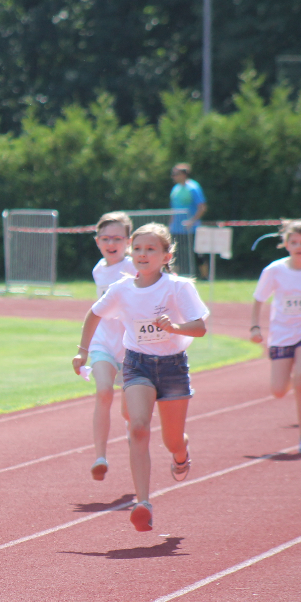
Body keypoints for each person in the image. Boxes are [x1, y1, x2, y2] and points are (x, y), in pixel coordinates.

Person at [73, 223, 209, 532]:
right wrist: (82, 352)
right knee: (137, 427)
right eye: (137, 249)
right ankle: (143, 502)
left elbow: (199, 328)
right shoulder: (121, 288)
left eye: (151, 249)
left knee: (171, 440)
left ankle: (181, 452)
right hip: (137, 364)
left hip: (173, 366)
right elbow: (94, 313)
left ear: (166, 255)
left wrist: (174, 328)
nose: (142, 255)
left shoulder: (178, 287)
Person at [80, 212, 135, 481]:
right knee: (103, 392)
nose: (110, 243)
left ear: (128, 241)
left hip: (132, 345)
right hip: (103, 341)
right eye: (105, 238)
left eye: (117, 238)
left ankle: (131, 432)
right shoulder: (98, 269)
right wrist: (82, 348)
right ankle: (100, 457)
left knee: (129, 410)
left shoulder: (137, 266)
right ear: (97, 240)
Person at [250, 220, 301, 454]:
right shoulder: (275, 270)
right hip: (282, 334)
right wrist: (255, 327)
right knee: (278, 390)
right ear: (285, 244)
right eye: (294, 242)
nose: (299, 246)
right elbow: (259, 299)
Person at [169, 163, 207, 277]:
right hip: (176, 228)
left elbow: (202, 207)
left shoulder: (193, 188)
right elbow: (173, 209)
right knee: (175, 253)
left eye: (176, 174)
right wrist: (169, 225)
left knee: (198, 253)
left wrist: (192, 221)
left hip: (192, 228)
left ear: (184, 174)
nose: (173, 176)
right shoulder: (175, 189)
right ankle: (174, 277)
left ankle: (204, 277)